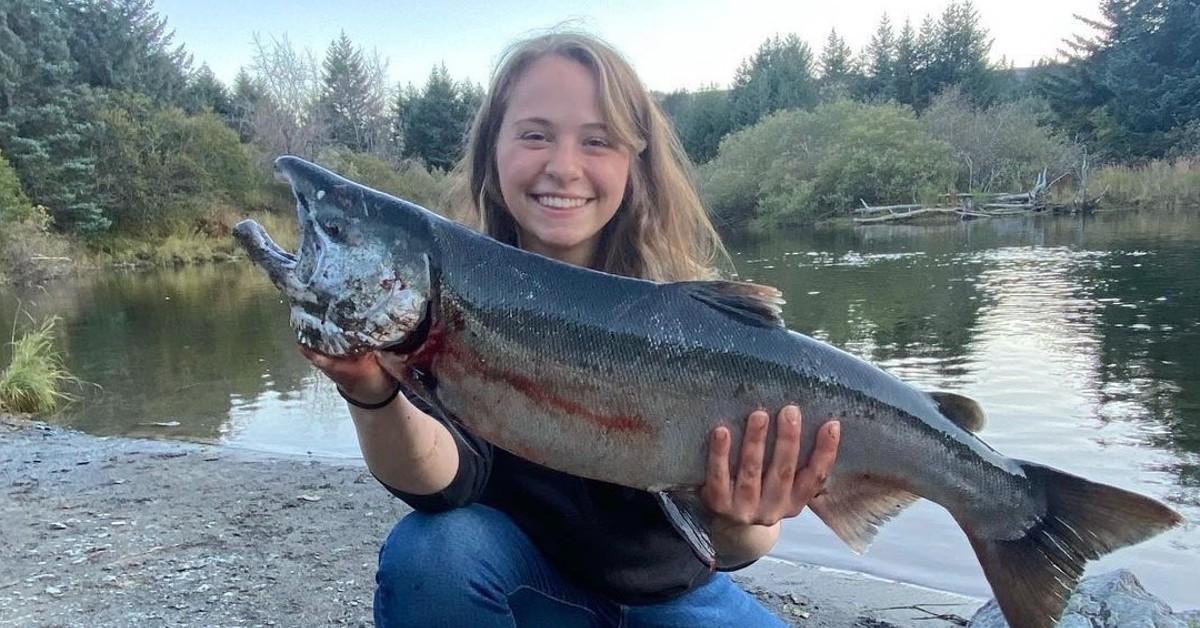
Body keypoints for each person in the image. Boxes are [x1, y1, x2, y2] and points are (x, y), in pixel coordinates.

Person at [301, 31, 842, 628]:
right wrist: (369, 391)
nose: (563, 167)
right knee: (432, 554)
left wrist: (743, 515)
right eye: (535, 135)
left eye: (597, 141)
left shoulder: (693, 317)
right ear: (492, 151)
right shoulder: (449, 298)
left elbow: (737, 551)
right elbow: (440, 485)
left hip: (672, 598)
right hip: (522, 590)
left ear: (635, 165)